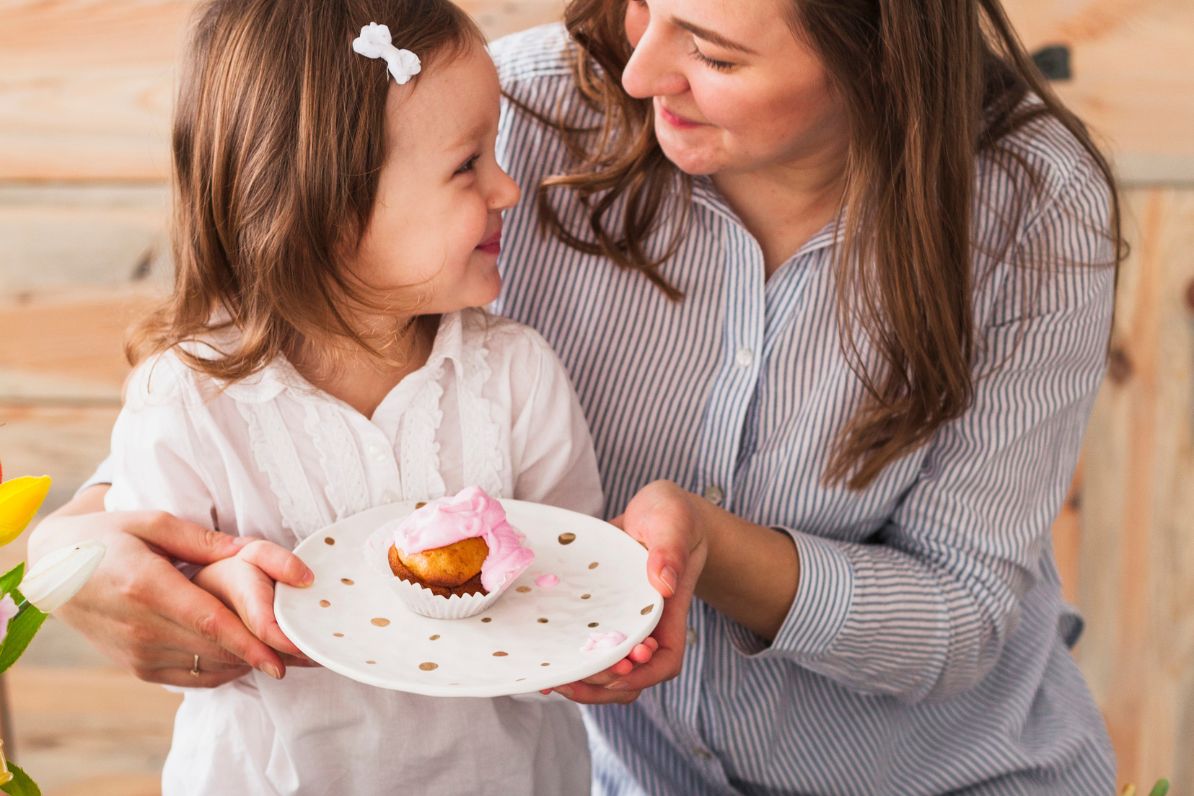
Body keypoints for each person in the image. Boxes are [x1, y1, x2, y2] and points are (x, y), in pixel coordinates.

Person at [33, 0, 1123, 793]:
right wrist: (71, 561)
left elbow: (964, 611)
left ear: (880, 44)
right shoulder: (498, 109)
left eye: (711, 46)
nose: (641, 69)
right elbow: (198, 452)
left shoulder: (1030, 209)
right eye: (643, 1)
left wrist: (711, 551)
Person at [42, 0, 650, 792]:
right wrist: (214, 608)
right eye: (468, 164)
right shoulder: (188, 406)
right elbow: (158, 636)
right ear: (327, 208)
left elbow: (566, 589)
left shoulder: (516, 377)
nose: (508, 189)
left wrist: (594, 647)